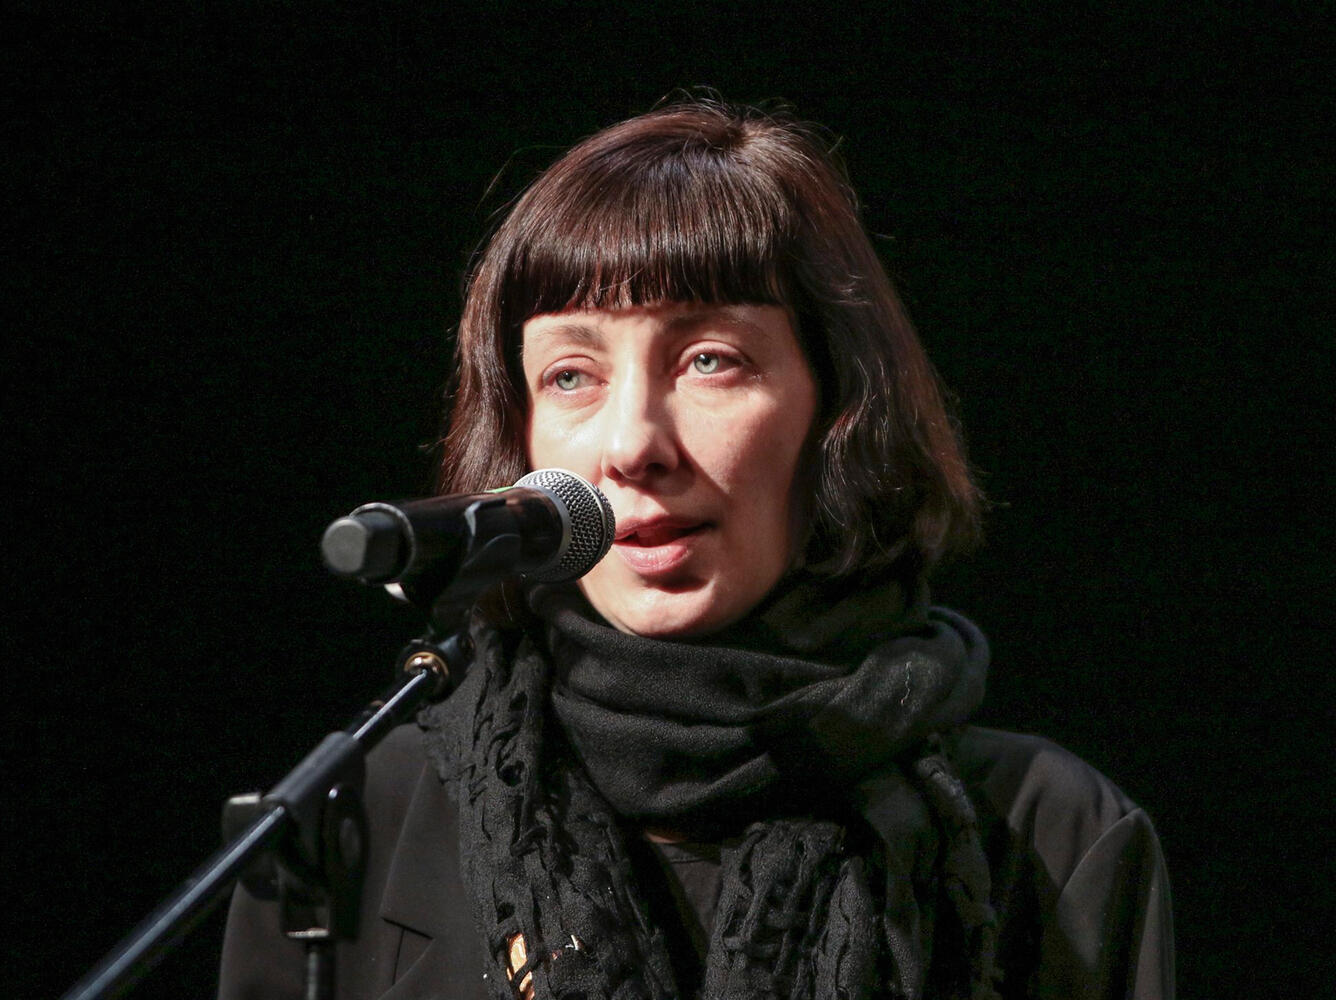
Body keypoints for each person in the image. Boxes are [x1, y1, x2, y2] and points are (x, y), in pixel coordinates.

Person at [220, 100, 1173, 1000]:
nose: (633, 445)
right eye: (571, 375)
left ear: (839, 410)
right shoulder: (349, 830)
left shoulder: (1052, 838)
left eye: (709, 359)